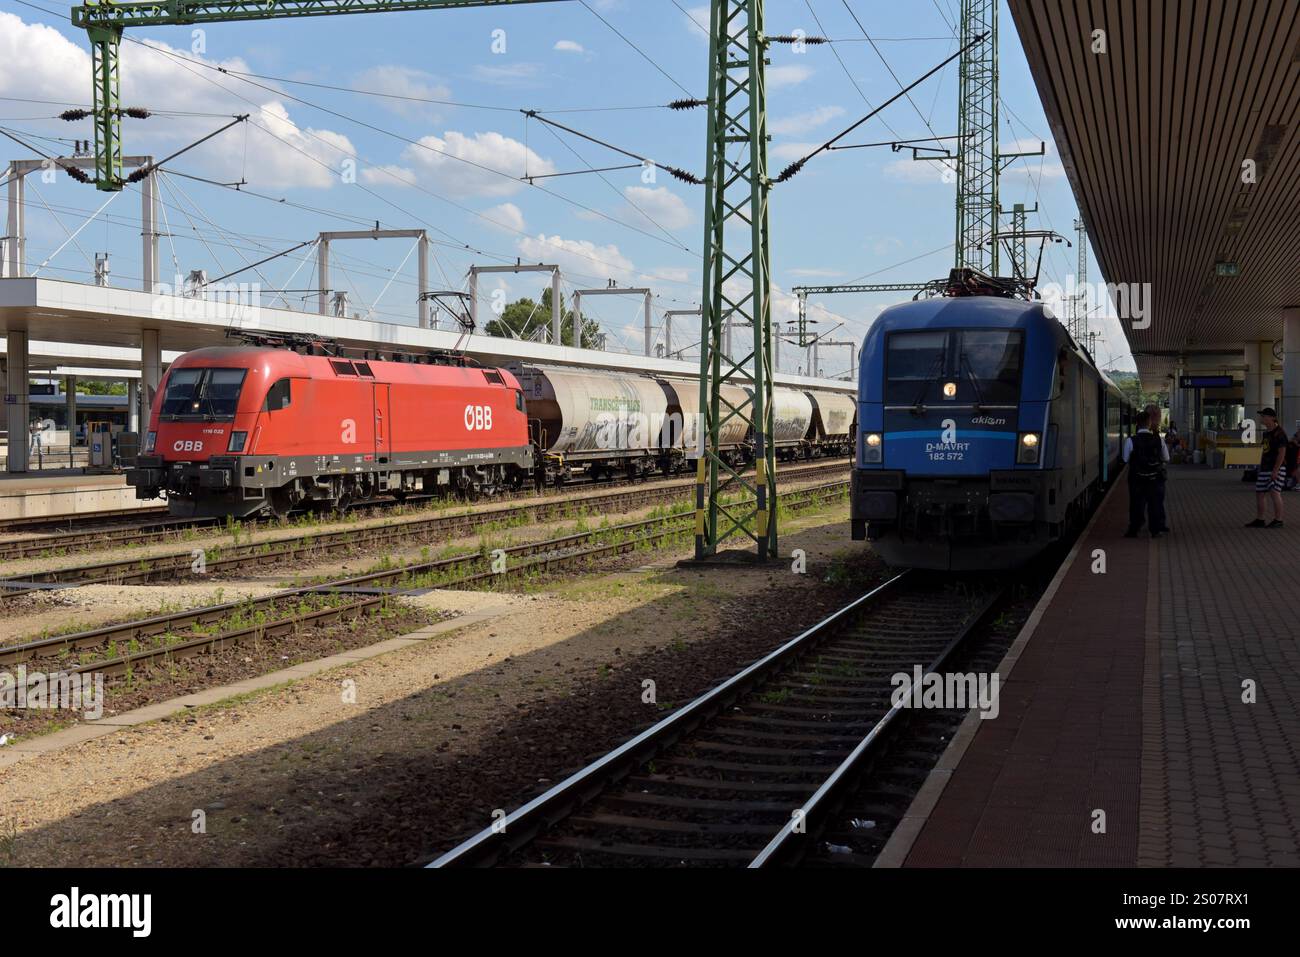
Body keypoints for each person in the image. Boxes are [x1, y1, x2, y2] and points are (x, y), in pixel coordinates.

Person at [1124, 409, 1169, 538]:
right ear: (1149, 423)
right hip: (1155, 478)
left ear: (1137, 424)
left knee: (1136, 504)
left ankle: (1134, 529)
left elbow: (1125, 459)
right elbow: (1166, 458)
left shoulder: (1130, 441)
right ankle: (1155, 531)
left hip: (1136, 478)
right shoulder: (1159, 440)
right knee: (1154, 504)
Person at [1246, 408, 1287, 528]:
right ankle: (1260, 519)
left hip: (1276, 468)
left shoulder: (1279, 433)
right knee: (1260, 493)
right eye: (1262, 416)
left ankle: (1278, 520)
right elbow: (1265, 451)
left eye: (1264, 416)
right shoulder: (1266, 433)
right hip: (1265, 468)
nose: (1262, 418)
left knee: (1275, 492)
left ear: (1272, 418)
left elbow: (1282, 453)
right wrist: (1260, 466)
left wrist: (1276, 470)